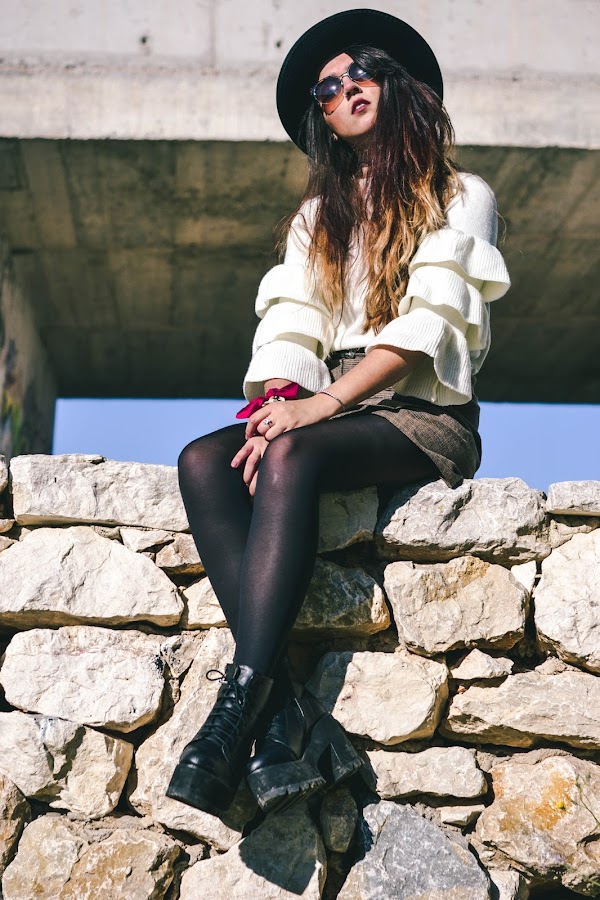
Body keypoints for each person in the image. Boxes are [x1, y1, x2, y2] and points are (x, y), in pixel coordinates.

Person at [166, 9, 510, 818]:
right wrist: (277, 408)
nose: (345, 89)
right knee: (204, 459)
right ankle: (291, 717)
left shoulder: (462, 194)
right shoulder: (317, 217)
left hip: (420, 411)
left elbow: (429, 329)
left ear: (395, 83)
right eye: (326, 89)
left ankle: (236, 712)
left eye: (361, 72)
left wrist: (317, 409)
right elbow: (292, 330)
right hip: (327, 408)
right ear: (321, 118)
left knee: (292, 455)